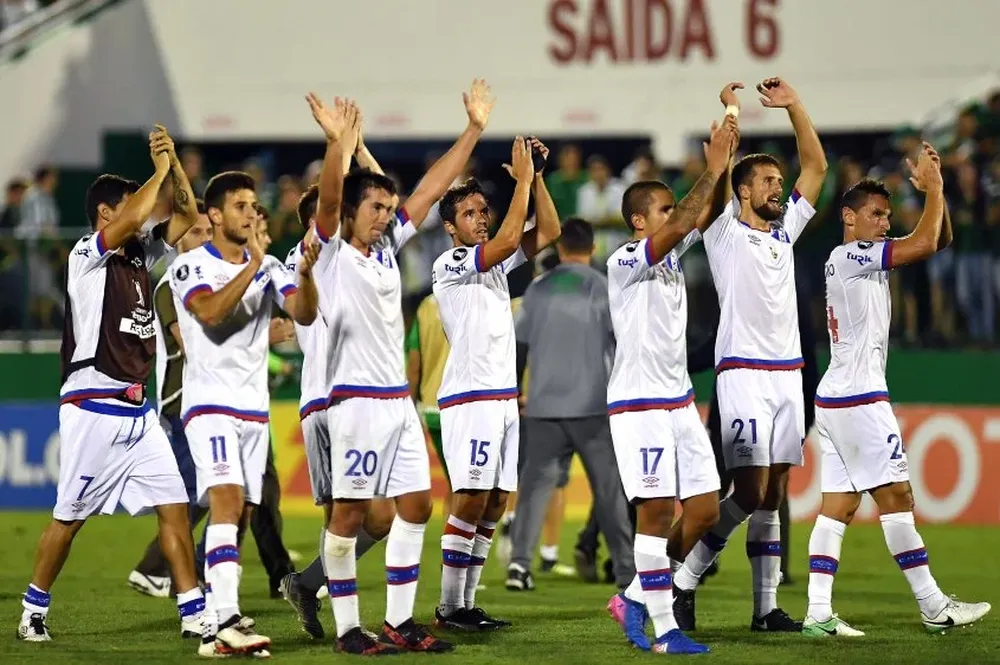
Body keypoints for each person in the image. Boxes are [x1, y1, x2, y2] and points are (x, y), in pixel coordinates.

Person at [304, 81, 493, 655]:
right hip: (356, 402)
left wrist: (474, 130)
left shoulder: (385, 250)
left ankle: (399, 622)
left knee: (416, 505)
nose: (386, 216)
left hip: (398, 402)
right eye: (377, 208)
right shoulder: (333, 250)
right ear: (351, 213)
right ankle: (346, 630)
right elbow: (331, 203)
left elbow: (435, 186)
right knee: (351, 512)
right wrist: (338, 146)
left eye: (389, 208)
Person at [18, 126, 205, 642]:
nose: (143, 216)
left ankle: (194, 611)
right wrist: (159, 170)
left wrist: (174, 165)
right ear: (107, 214)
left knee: (175, 508)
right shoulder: (86, 255)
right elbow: (137, 215)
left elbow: (187, 217)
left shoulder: (140, 255)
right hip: (92, 407)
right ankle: (33, 609)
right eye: (131, 208)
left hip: (139, 414)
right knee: (69, 518)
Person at [803, 155, 991, 636]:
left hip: (837, 398)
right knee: (897, 497)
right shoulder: (849, 257)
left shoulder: (864, 258)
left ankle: (818, 614)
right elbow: (927, 240)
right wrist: (932, 191)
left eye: (888, 216)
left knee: (838, 507)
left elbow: (937, 240)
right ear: (849, 217)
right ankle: (933, 606)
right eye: (877, 215)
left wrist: (939, 190)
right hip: (861, 400)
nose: (885, 223)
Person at [672, 77, 828, 633]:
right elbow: (716, 176)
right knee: (750, 488)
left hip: (789, 376)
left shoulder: (785, 232)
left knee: (775, 493)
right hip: (741, 374)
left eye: (778, 181)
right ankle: (685, 577)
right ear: (743, 190)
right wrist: (731, 117)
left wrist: (795, 106)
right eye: (766, 180)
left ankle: (765, 610)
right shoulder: (723, 233)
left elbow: (817, 168)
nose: (778, 187)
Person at [603, 108, 738, 655]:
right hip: (638, 405)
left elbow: (709, 212)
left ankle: (633, 595)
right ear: (640, 221)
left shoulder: (673, 250)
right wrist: (710, 166)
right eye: (662, 208)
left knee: (704, 509)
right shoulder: (625, 259)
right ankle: (664, 632)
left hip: (678, 400)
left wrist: (725, 159)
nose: (673, 214)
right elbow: (686, 219)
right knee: (657, 514)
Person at [170, 169, 320, 657]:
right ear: (213, 215)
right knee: (228, 502)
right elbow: (211, 314)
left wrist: (306, 273)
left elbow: (303, 315)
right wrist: (254, 265)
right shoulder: (191, 265)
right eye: (240, 206)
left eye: (255, 205)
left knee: (243, 513)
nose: (252, 213)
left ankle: (216, 619)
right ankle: (228, 621)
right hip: (211, 405)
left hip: (255, 412)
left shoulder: (271, 264)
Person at [430, 136, 561, 630]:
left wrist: (538, 179)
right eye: (470, 213)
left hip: (503, 398)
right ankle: (448, 607)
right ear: (450, 228)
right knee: (469, 495)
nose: (481, 218)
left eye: (484, 210)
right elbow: (509, 240)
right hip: (471, 398)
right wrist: (522, 182)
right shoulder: (451, 265)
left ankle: (466, 604)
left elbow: (547, 229)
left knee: (495, 501)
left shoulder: (496, 263)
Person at [505, 217, 635, 591]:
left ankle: (519, 565)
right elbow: (622, 343)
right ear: (592, 249)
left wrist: (516, 391)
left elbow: (520, 345)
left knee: (534, 488)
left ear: (559, 249)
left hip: (544, 406)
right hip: (593, 405)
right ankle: (627, 572)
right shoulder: (605, 288)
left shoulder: (538, 288)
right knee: (609, 491)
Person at [128, 199, 213, 598]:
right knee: (192, 494)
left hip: (207, 400)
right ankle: (163, 569)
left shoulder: (208, 281)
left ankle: (179, 570)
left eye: (210, 232)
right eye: (196, 232)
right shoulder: (169, 284)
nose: (205, 239)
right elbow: (192, 344)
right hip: (181, 402)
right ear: (178, 238)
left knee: (209, 493)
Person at [406, 292, 453, 515]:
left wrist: (408, 407)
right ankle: (458, 547)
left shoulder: (426, 305)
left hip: (433, 408)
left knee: (457, 484)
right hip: (468, 405)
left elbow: (414, 362)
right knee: (468, 487)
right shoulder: (481, 295)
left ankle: (455, 546)